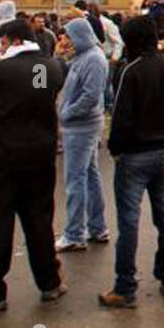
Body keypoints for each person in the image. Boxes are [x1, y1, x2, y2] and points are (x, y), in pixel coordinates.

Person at [0, 19, 65, 311]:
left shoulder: (3, 69)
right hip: (41, 156)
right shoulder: (51, 67)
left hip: (4, 158)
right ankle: (50, 282)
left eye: (3, 42)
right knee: (40, 222)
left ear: (14, 41)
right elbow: (39, 91)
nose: (1, 47)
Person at [99, 16, 164, 308]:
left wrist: (116, 148)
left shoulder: (130, 71)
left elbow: (121, 117)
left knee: (129, 223)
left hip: (134, 156)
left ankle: (125, 287)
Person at [54, 17, 110, 252]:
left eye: (67, 36)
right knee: (89, 176)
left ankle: (75, 233)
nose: (64, 40)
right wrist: (58, 55)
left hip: (81, 126)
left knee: (75, 179)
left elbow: (90, 95)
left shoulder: (94, 59)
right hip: (80, 125)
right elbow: (61, 73)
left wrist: (66, 113)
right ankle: (97, 227)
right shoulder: (83, 57)